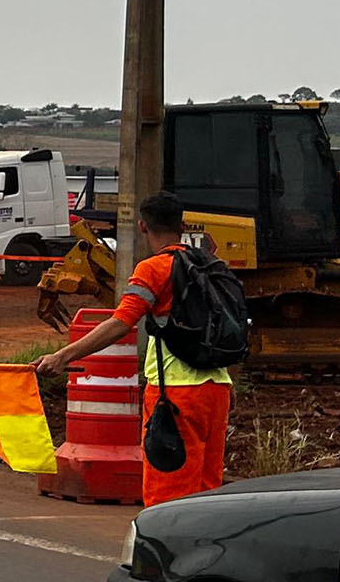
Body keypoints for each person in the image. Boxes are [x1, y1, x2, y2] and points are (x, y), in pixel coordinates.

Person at [34, 191, 232, 506]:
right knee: (206, 493)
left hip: (175, 393)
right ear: (182, 226)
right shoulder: (210, 264)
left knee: (167, 497)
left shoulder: (153, 269)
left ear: (142, 226)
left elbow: (121, 323)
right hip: (218, 389)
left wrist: (62, 356)